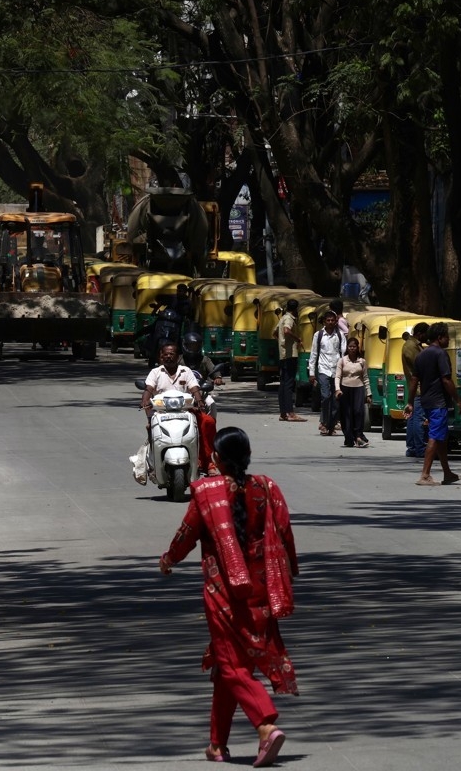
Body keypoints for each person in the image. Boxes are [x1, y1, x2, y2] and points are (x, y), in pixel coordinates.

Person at [159, 427, 298, 767]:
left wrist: (168, 560)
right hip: (262, 593)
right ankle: (216, 745)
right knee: (228, 668)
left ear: (217, 459)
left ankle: (265, 725)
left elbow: (186, 536)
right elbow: (285, 533)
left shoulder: (208, 494)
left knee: (233, 667)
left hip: (224, 595)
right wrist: (289, 572)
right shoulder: (266, 488)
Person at [142, 342, 215, 476]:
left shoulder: (186, 371)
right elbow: (148, 389)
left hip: (186, 411)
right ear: (160, 357)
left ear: (178, 357)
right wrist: (145, 400)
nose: (168, 357)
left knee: (207, 422)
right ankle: (153, 463)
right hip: (161, 412)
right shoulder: (155, 372)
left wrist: (199, 400)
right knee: (150, 429)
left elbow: (194, 388)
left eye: (172, 354)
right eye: (165, 354)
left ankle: (208, 461)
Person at [405, 322, 461, 486]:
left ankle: (447, 473)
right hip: (438, 402)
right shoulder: (440, 354)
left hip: (426, 401)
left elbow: (414, 380)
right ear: (440, 337)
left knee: (441, 438)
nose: (449, 340)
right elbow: (446, 379)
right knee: (435, 436)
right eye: (447, 337)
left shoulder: (421, 355)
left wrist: (410, 402)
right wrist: (458, 400)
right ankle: (425, 475)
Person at [308, 311, 345, 435]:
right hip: (323, 370)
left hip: (337, 371)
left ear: (335, 321)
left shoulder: (340, 336)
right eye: (328, 320)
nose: (330, 322)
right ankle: (324, 423)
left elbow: (344, 355)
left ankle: (331, 425)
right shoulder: (318, 335)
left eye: (332, 320)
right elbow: (313, 354)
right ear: (324, 321)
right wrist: (312, 373)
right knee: (325, 397)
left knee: (336, 399)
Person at [334, 337, 372, 448]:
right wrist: (337, 389)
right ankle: (348, 437)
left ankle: (358, 436)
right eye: (350, 347)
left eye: (354, 347)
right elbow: (337, 376)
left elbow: (365, 378)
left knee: (358, 412)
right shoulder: (342, 360)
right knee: (346, 414)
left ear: (357, 347)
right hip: (344, 389)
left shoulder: (362, 361)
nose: (352, 349)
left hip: (359, 389)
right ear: (347, 348)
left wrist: (368, 393)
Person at [275, 299, 307, 422]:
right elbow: (286, 331)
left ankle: (283, 413)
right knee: (288, 384)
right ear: (295, 309)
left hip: (283, 355)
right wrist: (297, 339)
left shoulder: (282, 318)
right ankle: (290, 413)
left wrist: (281, 343)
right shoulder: (289, 319)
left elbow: (275, 333)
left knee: (283, 384)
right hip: (290, 355)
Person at [402, 322, 429, 459]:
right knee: (418, 419)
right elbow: (419, 366)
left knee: (413, 419)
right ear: (420, 333)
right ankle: (419, 448)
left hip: (416, 388)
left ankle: (412, 447)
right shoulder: (411, 346)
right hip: (418, 388)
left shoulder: (415, 345)